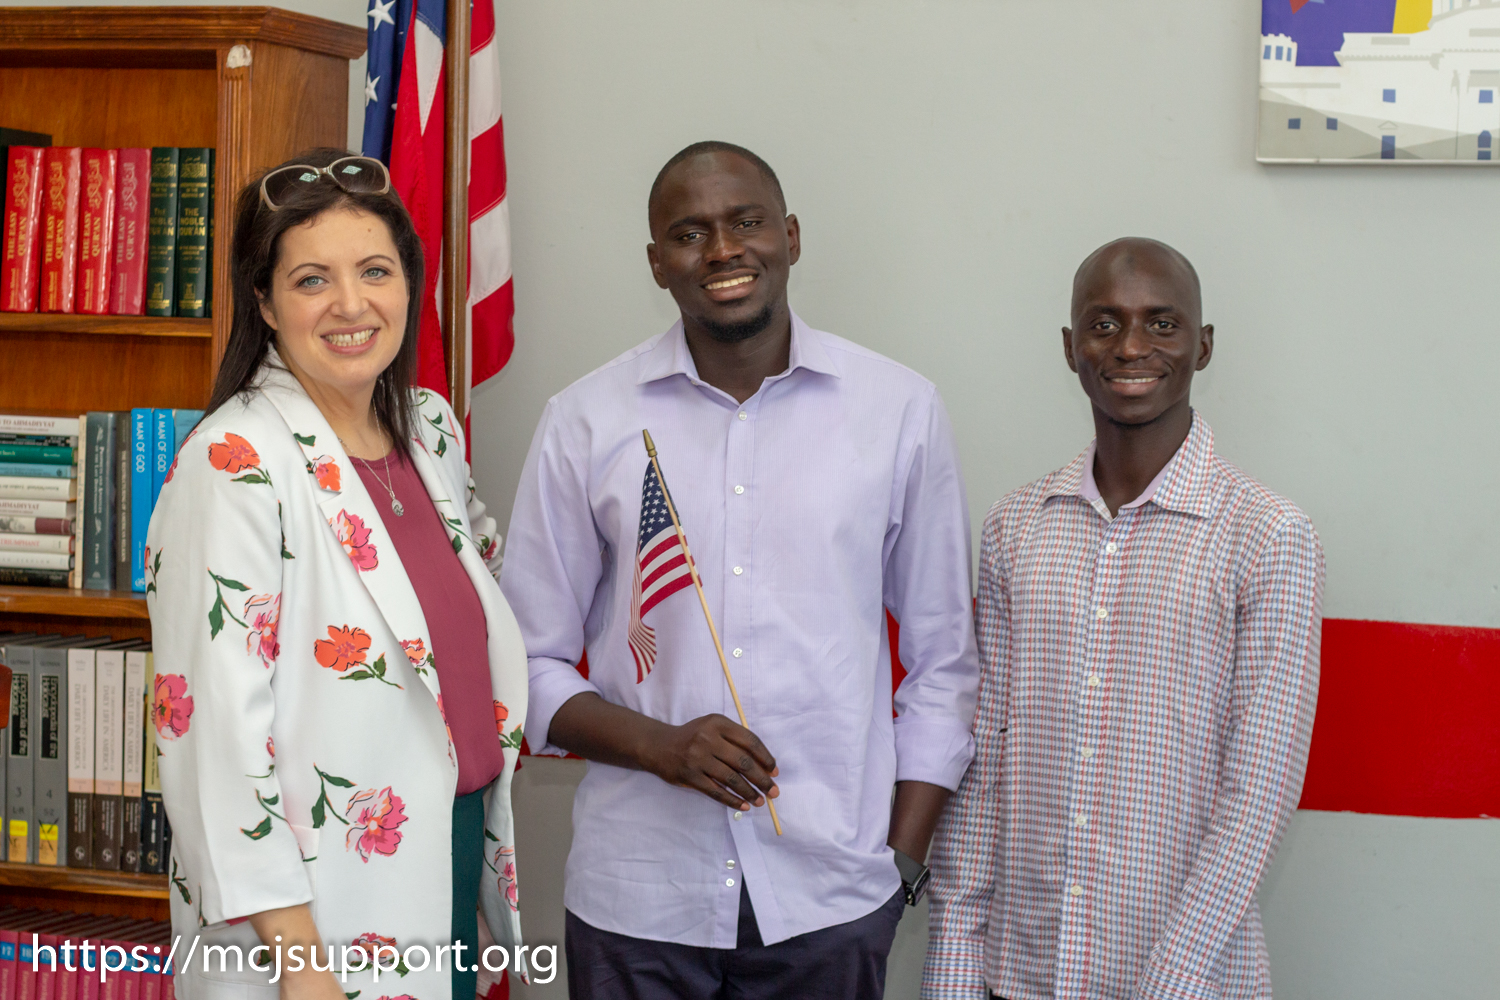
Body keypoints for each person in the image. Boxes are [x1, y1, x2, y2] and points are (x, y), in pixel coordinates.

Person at [500, 141, 979, 999]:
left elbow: (944, 662)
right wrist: (660, 746)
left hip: (832, 897)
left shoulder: (899, 409)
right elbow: (524, 662)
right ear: (657, 263)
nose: (722, 250)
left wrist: (901, 861)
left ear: (790, 236)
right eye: (689, 233)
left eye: (746, 222)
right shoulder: (587, 419)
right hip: (638, 899)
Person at [146, 148, 530, 1000]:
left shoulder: (429, 431)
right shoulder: (235, 461)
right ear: (264, 302)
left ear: (409, 285)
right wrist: (302, 967)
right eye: (312, 280)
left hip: (449, 858)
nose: (352, 305)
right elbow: (214, 746)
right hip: (311, 918)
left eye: (375, 271)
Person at [924, 238, 1324, 1000]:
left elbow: (1258, 795)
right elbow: (986, 768)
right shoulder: (1016, 527)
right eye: (1104, 324)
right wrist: (954, 964)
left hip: (1183, 982)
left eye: (1162, 324)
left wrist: (1169, 980)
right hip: (1023, 974)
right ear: (1070, 347)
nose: (1132, 347)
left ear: (1203, 346)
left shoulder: (1268, 535)